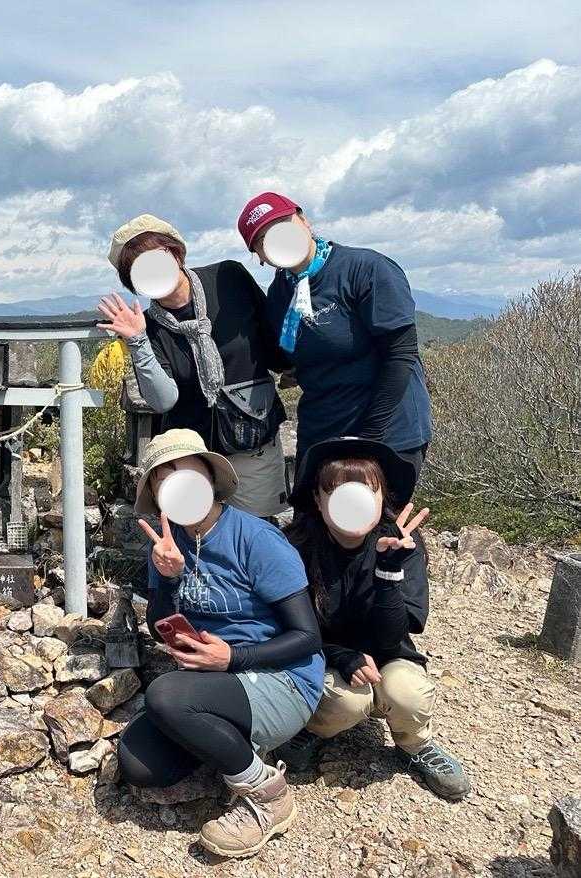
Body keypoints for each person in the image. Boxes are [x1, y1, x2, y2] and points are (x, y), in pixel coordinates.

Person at [116, 428, 324, 859]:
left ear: (209, 476)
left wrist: (232, 657)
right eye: (162, 477)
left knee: (166, 695)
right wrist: (169, 579)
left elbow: (308, 638)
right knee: (139, 763)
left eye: (184, 469)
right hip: (215, 680)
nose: (175, 482)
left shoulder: (256, 539)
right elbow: (158, 625)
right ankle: (237, 748)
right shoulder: (165, 546)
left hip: (282, 678)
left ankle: (267, 795)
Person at [279, 437, 471, 801]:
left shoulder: (402, 544)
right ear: (318, 500)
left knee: (408, 694)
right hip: (320, 655)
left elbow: (391, 638)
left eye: (368, 492)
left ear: (382, 498)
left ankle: (415, 743)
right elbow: (286, 626)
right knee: (347, 702)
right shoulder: (297, 547)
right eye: (337, 492)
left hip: (390, 654)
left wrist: (387, 572)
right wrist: (341, 655)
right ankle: (314, 729)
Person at [237, 193, 432, 499]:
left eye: (282, 224)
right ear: (260, 255)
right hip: (321, 433)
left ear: (303, 220)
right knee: (310, 523)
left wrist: (369, 441)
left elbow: (401, 355)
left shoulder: (366, 269)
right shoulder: (279, 294)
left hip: (387, 432)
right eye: (263, 239)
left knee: (374, 525)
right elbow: (295, 353)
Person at [98, 214, 289, 519]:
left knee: (258, 531)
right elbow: (163, 400)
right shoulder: (149, 329)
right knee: (197, 538)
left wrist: (300, 367)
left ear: (175, 252)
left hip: (253, 439)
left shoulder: (229, 279)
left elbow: (273, 339)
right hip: (191, 455)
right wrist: (138, 342)